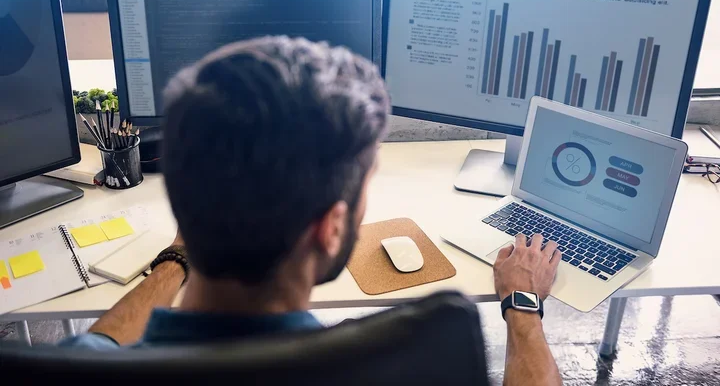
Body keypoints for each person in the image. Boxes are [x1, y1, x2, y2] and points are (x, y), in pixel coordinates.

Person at [61, 36, 562, 385]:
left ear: (180, 204)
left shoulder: (65, 371)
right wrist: (522, 309)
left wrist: (174, 262)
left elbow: (101, 350)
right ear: (332, 228)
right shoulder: (397, 373)